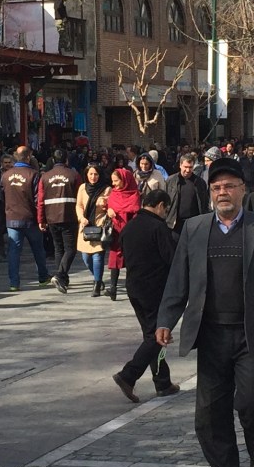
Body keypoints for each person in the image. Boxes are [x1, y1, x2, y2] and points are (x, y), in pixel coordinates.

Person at [155, 157, 254, 467]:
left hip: (252, 334)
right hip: (211, 335)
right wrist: (165, 319)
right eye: (217, 187)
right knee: (209, 415)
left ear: (242, 190)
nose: (223, 192)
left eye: (229, 187)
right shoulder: (194, 229)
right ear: (211, 193)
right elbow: (178, 279)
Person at [112, 188, 180, 403]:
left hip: (134, 288)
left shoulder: (130, 227)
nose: (165, 213)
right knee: (156, 336)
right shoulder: (158, 228)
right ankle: (128, 375)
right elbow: (172, 258)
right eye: (165, 209)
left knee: (151, 335)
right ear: (160, 206)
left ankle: (163, 382)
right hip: (154, 290)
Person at [1, 146, 50, 291]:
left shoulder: (5, 176)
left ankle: (14, 283)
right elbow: (38, 199)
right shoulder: (33, 175)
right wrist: (42, 219)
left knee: (14, 251)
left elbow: (1, 195)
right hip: (30, 219)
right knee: (38, 249)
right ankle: (43, 277)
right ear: (28, 157)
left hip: (12, 218)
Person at [38, 150, 81, 292]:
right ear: (66, 160)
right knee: (71, 249)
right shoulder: (74, 175)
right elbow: (80, 196)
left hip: (51, 217)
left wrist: (41, 219)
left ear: (52, 160)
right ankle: (60, 274)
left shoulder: (45, 177)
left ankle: (63, 279)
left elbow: (40, 200)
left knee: (58, 248)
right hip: (70, 216)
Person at [103, 166, 142, 302]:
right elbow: (110, 206)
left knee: (131, 260)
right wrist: (109, 210)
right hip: (116, 231)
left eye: (116, 181)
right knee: (115, 259)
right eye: (112, 181)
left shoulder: (134, 194)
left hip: (129, 231)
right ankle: (113, 288)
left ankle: (132, 287)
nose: (114, 184)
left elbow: (136, 211)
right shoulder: (114, 193)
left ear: (124, 180)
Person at [75, 163, 109, 296]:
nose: (93, 177)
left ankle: (97, 284)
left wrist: (106, 206)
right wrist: (81, 218)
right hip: (85, 227)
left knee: (97, 257)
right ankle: (97, 278)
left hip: (99, 226)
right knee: (86, 257)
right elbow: (79, 205)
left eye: (96, 174)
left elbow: (111, 206)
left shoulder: (106, 189)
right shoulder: (82, 188)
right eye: (91, 174)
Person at [166, 153, 208, 233]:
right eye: (185, 167)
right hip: (175, 224)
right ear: (180, 165)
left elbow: (205, 203)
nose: (188, 170)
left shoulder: (200, 183)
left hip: (194, 223)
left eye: (190, 167)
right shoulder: (171, 181)